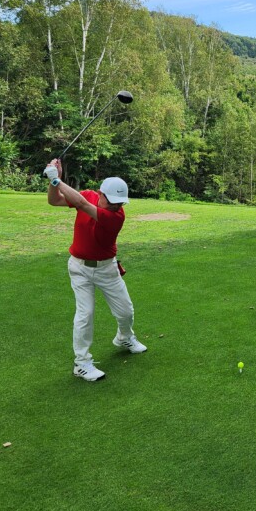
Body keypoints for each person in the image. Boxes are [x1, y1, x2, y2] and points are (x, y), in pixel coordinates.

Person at [44, 158, 146, 382]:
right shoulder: (89, 195)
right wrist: (53, 183)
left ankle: (124, 337)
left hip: (107, 269)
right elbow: (55, 201)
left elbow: (80, 204)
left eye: (121, 203)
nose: (118, 206)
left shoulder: (115, 216)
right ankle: (81, 364)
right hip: (79, 268)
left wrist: (56, 178)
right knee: (85, 314)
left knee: (126, 311)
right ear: (100, 193)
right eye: (113, 201)